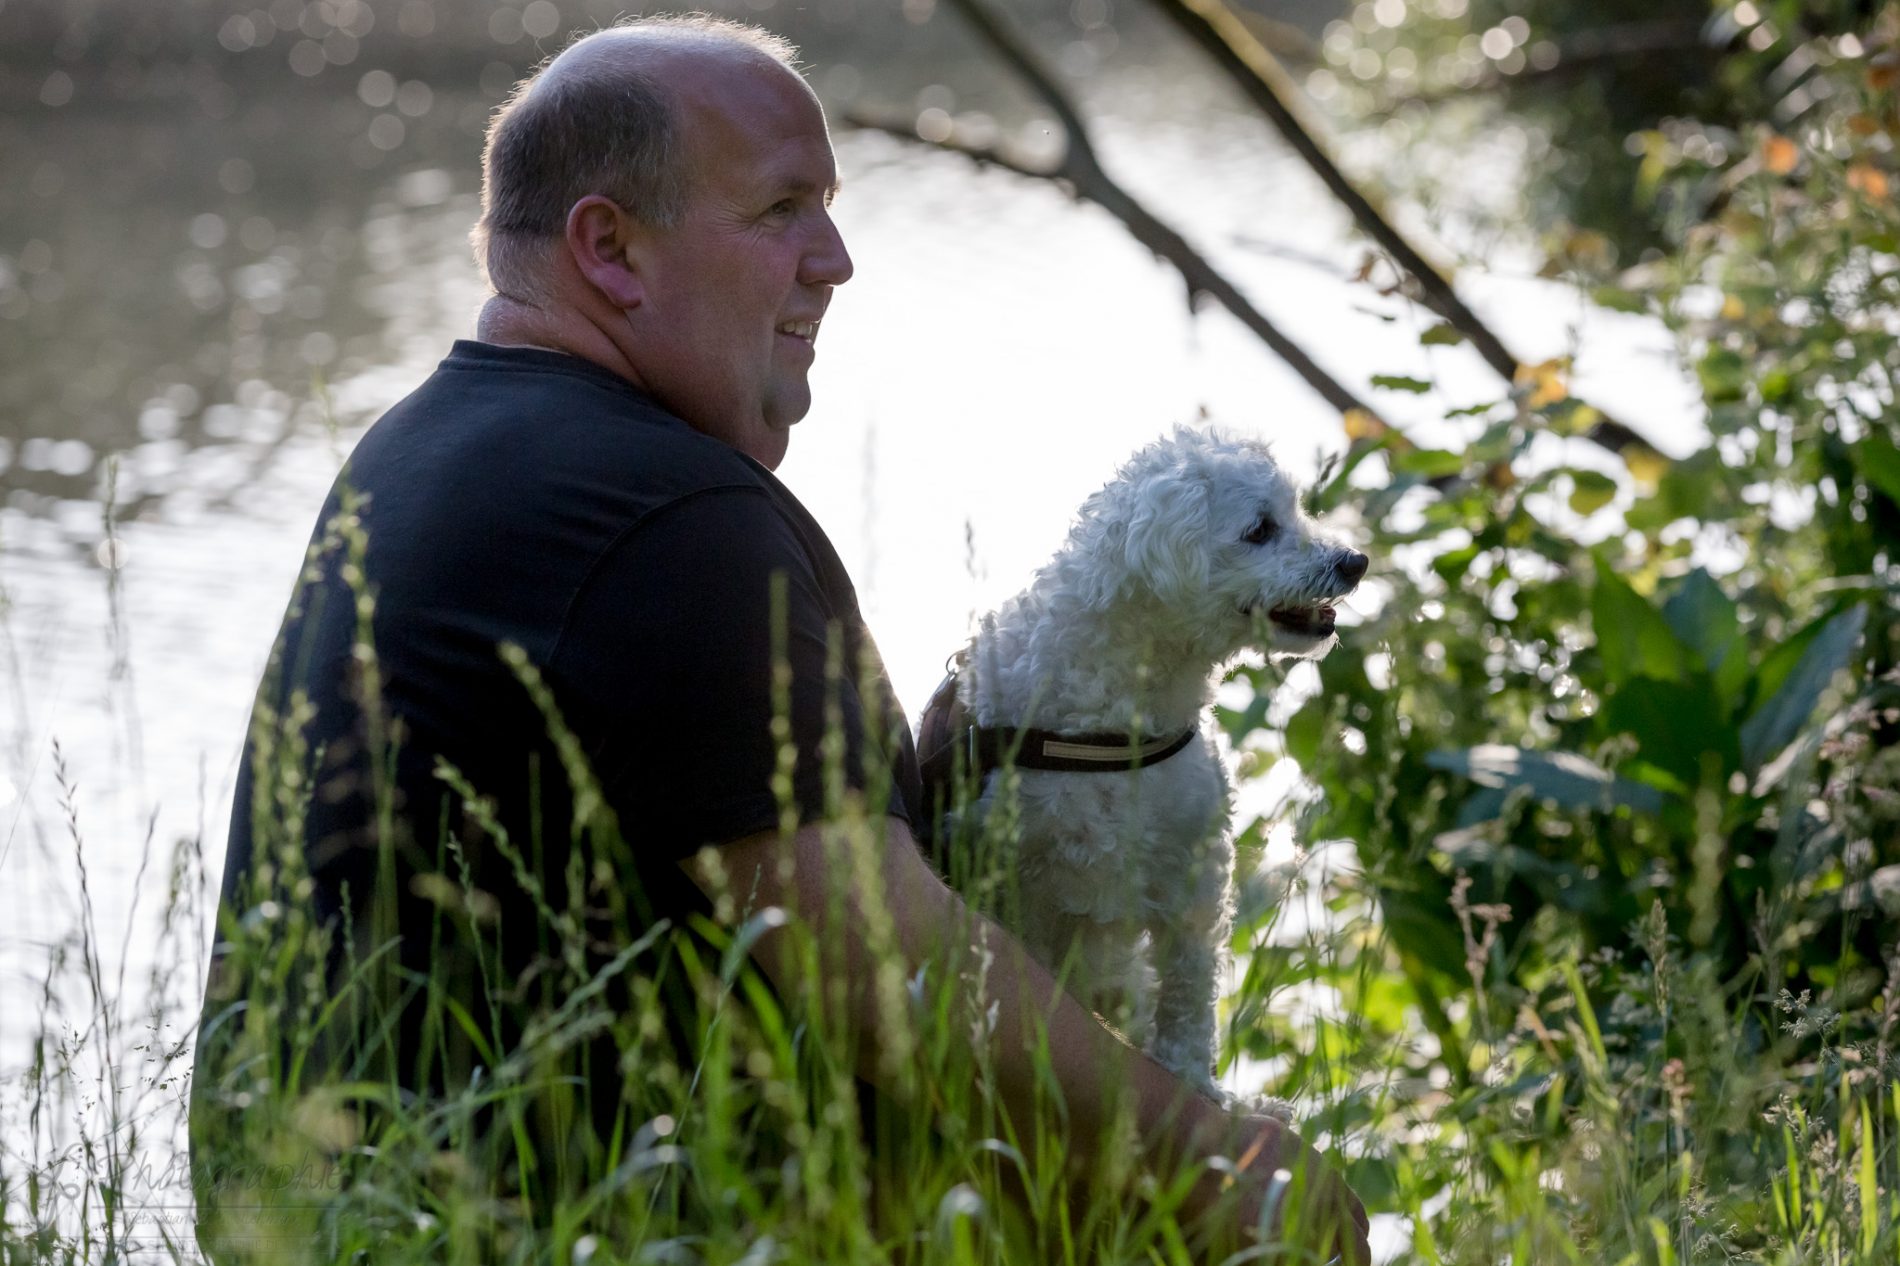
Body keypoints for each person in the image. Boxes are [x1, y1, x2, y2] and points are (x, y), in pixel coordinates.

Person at [191, 15, 1367, 1261]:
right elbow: (888, 975)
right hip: (544, 1225)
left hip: (327, 1205)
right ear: (610, 249)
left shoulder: (425, 448)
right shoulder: (664, 517)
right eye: (780, 211)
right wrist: (1220, 1159)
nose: (837, 259)